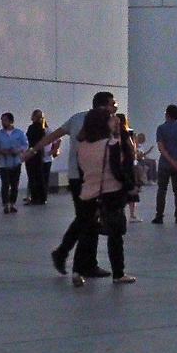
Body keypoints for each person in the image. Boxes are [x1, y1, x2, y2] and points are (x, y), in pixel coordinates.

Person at [32, 92, 118, 277]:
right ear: (104, 106)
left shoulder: (77, 118)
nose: (115, 107)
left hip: (76, 175)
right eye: (113, 103)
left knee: (85, 218)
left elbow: (54, 135)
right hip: (91, 176)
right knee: (88, 220)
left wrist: (33, 150)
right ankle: (78, 261)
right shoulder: (104, 122)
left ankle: (69, 256)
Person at [69, 107, 137, 286]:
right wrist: (130, 187)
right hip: (110, 194)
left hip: (86, 193)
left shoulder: (81, 147)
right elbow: (117, 171)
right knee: (115, 236)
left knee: (86, 234)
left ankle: (77, 271)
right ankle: (118, 273)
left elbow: (82, 170)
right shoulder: (111, 144)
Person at [152, 104, 177, 224]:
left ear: (167, 114)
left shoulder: (161, 129)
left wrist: (171, 161)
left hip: (165, 165)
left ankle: (159, 216)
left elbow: (161, 148)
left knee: (162, 190)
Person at [112, 112, 145, 221]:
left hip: (117, 163)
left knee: (119, 186)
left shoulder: (113, 133)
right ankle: (132, 214)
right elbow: (131, 146)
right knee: (131, 185)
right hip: (127, 163)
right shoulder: (126, 133)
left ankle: (119, 211)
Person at [0, 112, 28, 214]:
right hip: (4, 163)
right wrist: (2, 151)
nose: (3, 122)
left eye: (5, 120)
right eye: (2, 120)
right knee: (5, 184)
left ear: (11, 121)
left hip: (16, 162)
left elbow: (25, 145)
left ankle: (12, 203)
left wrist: (17, 150)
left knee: (14, 184)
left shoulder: (19, 133)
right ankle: (6, 205)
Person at [23, 110, 50, 205]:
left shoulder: (33, 127)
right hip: (39, 154)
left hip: (32, 154)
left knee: (33, 176)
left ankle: (35, 197)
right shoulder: (42, 128)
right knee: (39, 176)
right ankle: (42, 197)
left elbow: (28, 140)